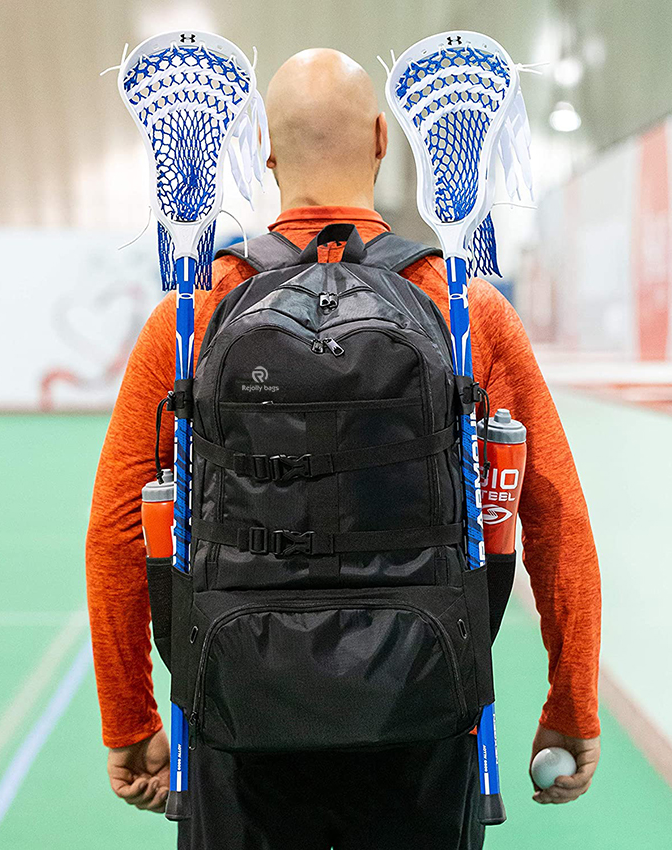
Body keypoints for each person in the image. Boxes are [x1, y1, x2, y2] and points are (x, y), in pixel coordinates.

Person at [86, 48, 602, 850]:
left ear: (263, 150)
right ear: (382, 141)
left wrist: (130, 721)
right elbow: (554, 512)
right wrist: (570, 708)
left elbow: (120, 527)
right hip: (425, 705)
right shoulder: (464, 310)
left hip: (236, 713)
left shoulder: (195, 314)